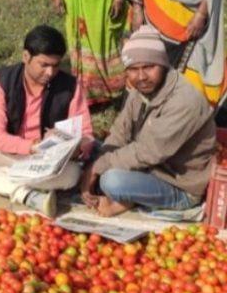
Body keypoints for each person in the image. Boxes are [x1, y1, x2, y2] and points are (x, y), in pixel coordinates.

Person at [0, 25, 94, 218]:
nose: (50, 72)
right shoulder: (0, 81)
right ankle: (24, 193)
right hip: (9, 153)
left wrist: (76, 146)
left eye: (55, 65)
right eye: (44, 65)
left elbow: (87, 134)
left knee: (73, 175)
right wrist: (32, 146)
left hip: (48, 163)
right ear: (26, 57)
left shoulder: (70, 86)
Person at [81, 26, 216, 219]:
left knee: (111, 181)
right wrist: (97, 163)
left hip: (176, 183)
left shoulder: (185, 100)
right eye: (134, 70)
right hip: (148, 167)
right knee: (90, 151)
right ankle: (129, 196)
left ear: (163, 64)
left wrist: (98, 168)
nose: (141, 76)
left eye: (149, 67)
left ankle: (133, 198)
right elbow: (121, 130)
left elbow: (149, 151)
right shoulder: (141, 90)